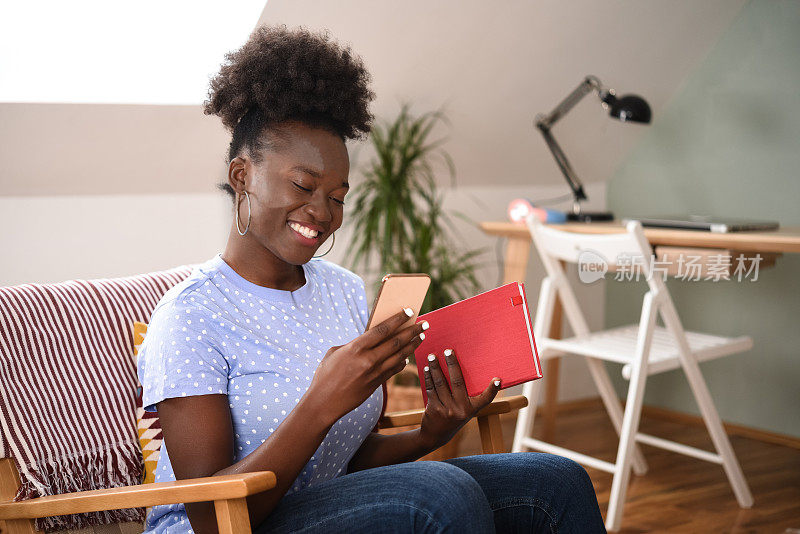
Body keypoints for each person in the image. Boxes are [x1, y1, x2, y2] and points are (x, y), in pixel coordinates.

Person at [136, 25, 606, 533]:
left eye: (337, 196)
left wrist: (430, 432)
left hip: (325, 508)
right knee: (437, 496)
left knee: (556, 480)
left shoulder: (340, 290)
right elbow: (212, 515)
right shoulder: (191, 316)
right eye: (303, 184)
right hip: (232, 529)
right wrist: (320, 403)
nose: (321, 212)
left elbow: (345, 463)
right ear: (242, 175)